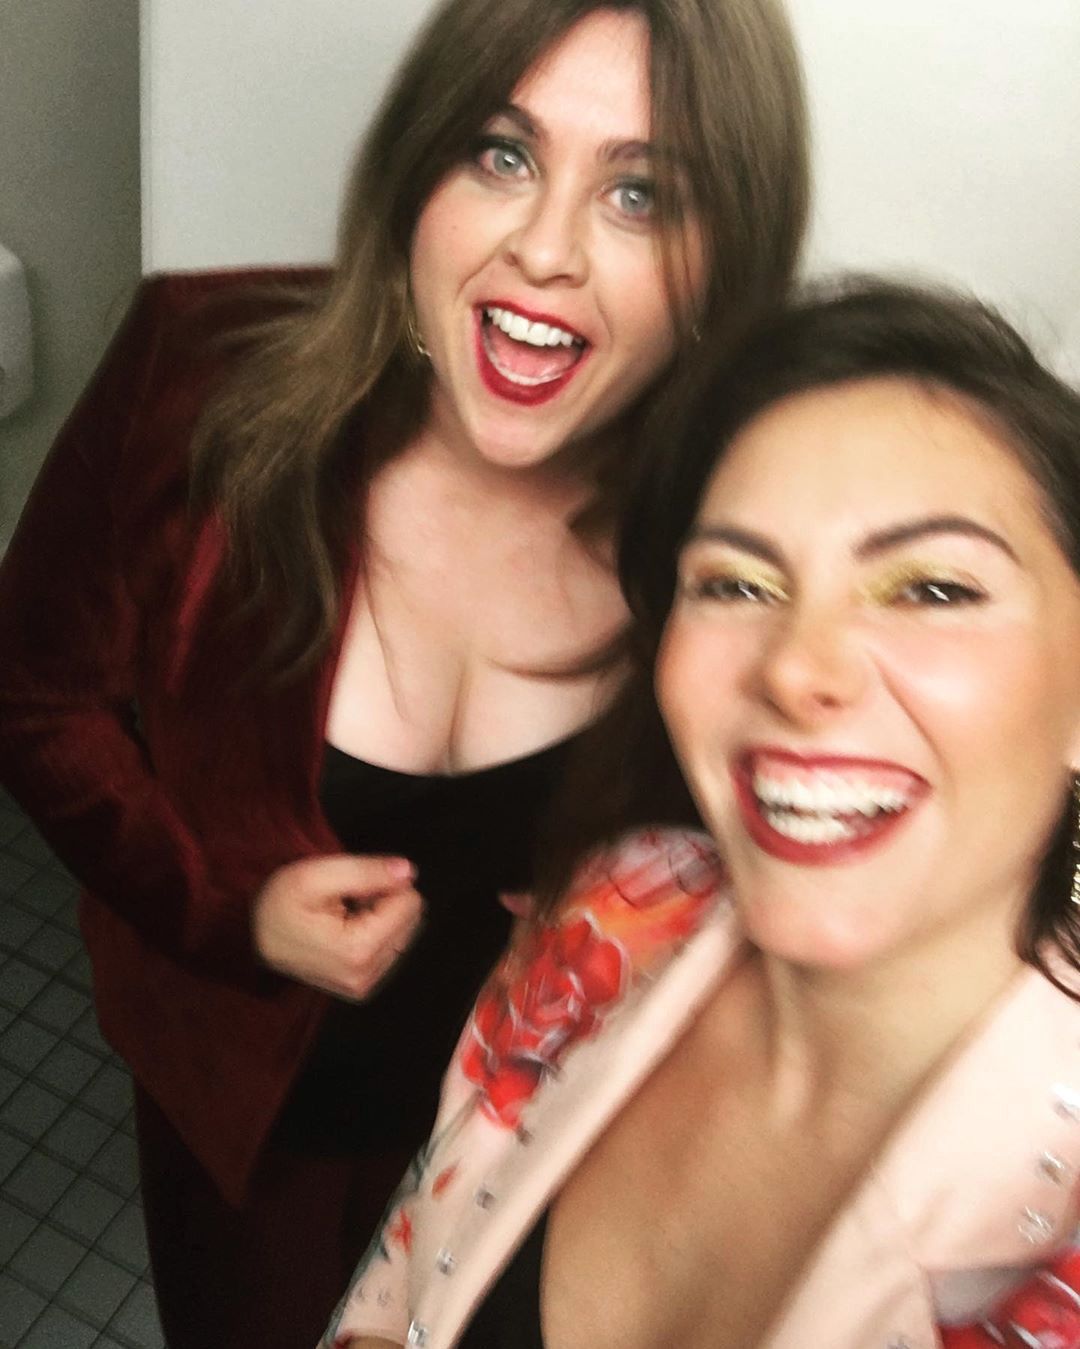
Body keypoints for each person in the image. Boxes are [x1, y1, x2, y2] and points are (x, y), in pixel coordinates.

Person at [0, 0, 808, 1345]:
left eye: (640, 193)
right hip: (238, 1120)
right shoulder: (199, 371)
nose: (544, 248)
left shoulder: (735, 539)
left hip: (531, 1144)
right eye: (502, 152)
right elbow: (31, 691)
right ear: (419, 164)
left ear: (726, 257)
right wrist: (226, 910)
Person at [326, 280, 1080, 1349]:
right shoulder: (619, 906)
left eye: (933, 589)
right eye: (735, 583)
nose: (797, 669)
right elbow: (407, 1265)